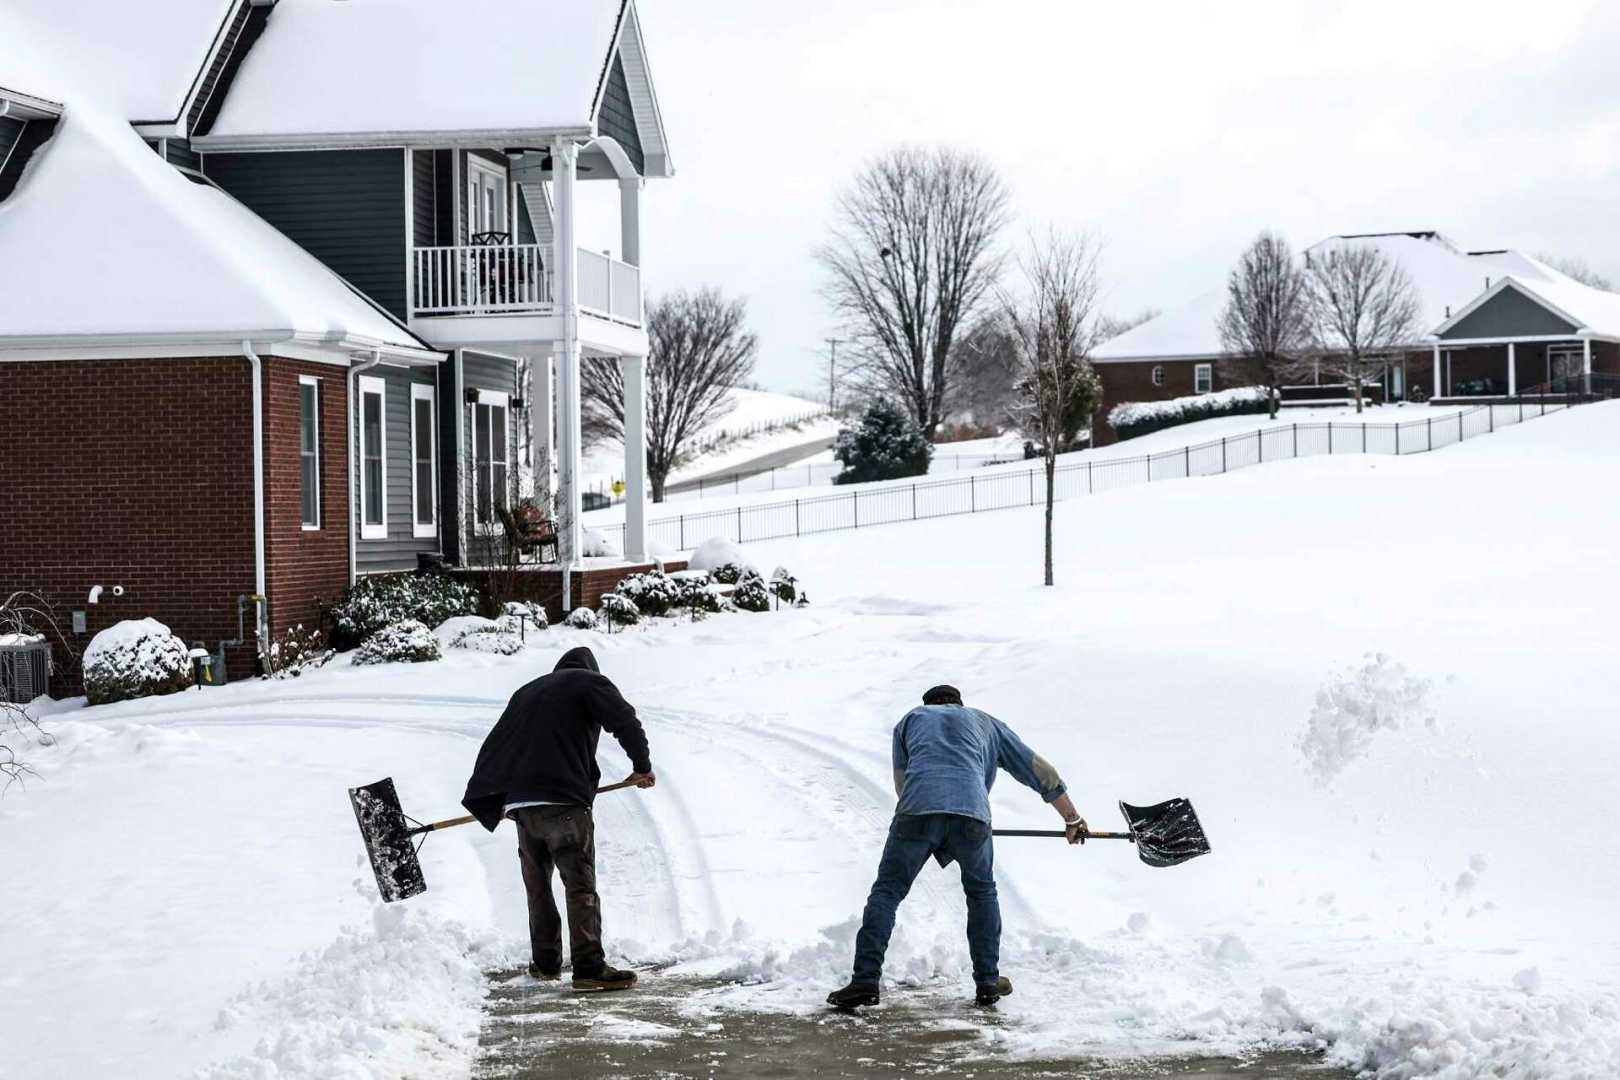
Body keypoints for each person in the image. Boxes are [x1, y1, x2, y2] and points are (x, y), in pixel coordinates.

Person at [827, 684, 1087, 1010]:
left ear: (929, 704)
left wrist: (932, 824)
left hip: (916, 810)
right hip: (973, 814)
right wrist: (1072, 818)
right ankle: (988, 980)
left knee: (887, 892)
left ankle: (865, 980)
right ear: (959, 704)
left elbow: (902, 782)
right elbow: (1040, 771)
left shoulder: (910, 720)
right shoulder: (985, 723)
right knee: (981, 893)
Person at [463, 646, 655, 993]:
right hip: (564, 801)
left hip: (522, 805)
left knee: (538, 887)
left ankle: (546, 963)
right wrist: (641, 766)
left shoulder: (528, 691)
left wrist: (500, 799)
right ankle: (589, 967)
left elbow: (496, 744)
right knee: (579, 884)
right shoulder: (590, 682)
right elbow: (625, 720)